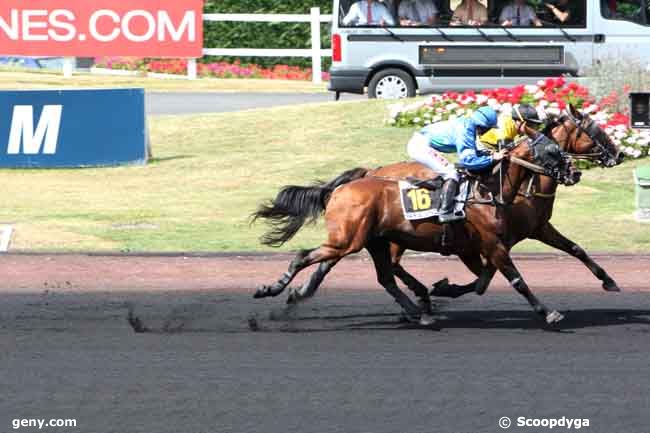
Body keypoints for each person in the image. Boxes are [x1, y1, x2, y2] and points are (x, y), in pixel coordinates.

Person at [406, 107, 507, 245]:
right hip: (420, 146)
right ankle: (445, 212)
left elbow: (475, 150)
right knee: (451, 172)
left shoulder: (469, 125)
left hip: (423, 142)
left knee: (451, 170)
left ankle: (440, 189)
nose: (487, 132)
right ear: (482, 126)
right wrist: (493, 159)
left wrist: (489, 154)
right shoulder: (466, 129)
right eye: (488, 128)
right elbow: (468, 161)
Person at [479, 104, 544, 150]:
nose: (532, 129)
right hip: (484, 148)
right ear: (519, 122)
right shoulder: (505, 127)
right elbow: (506, 151)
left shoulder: (514, 124)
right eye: (530, 125)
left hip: (499, 146)